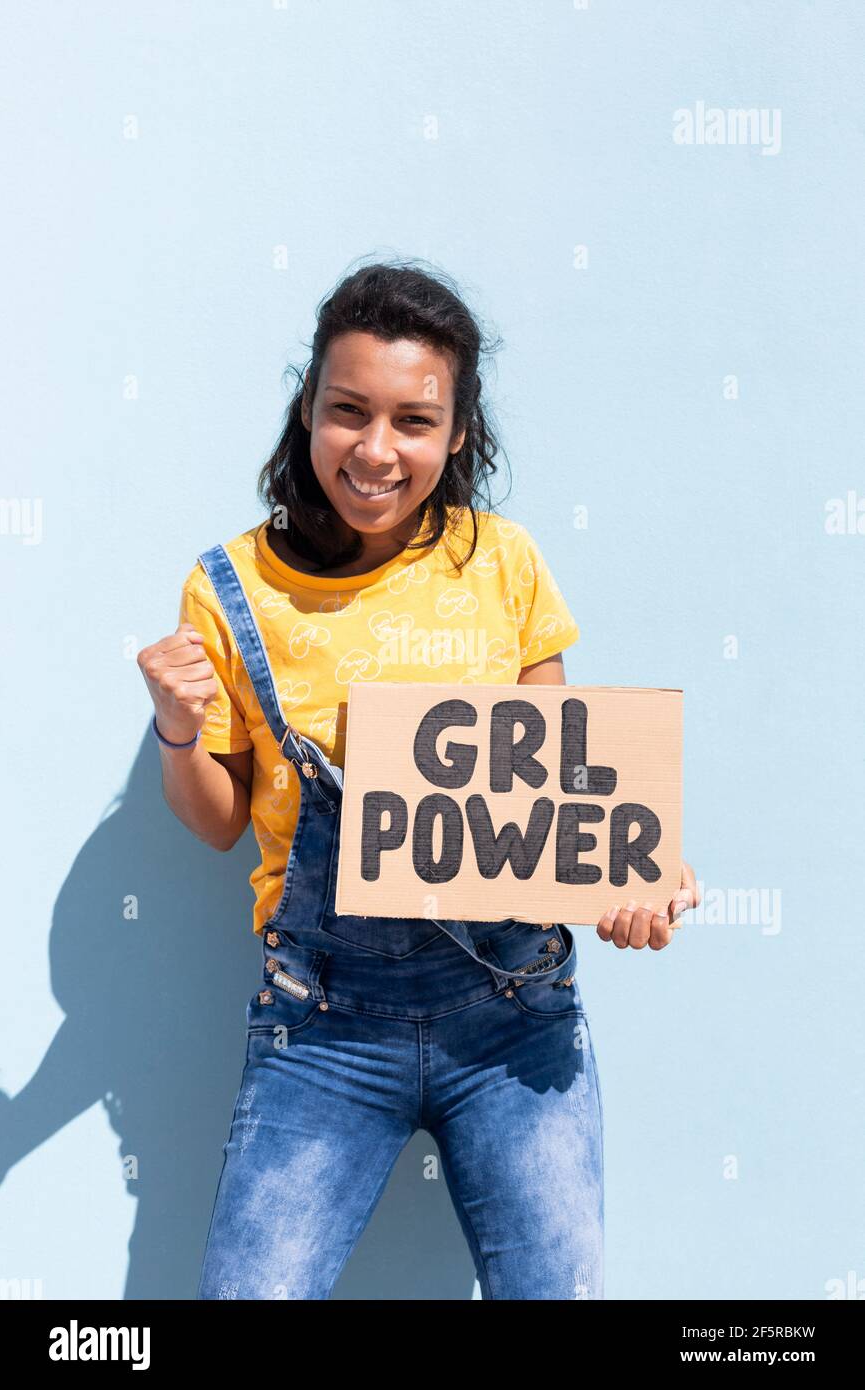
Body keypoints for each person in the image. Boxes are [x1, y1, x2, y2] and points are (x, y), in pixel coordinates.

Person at [138, 260, 700, 1300]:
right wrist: (179, 728)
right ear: (307, 409)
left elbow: (562, 782)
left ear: (456, 434)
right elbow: (217, 823)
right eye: (347, 411)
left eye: (413, 421)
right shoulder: (228, 586)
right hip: (321, 1030)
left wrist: (640, 872)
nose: (376, 449)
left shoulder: (503, 563)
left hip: (512, 1016)